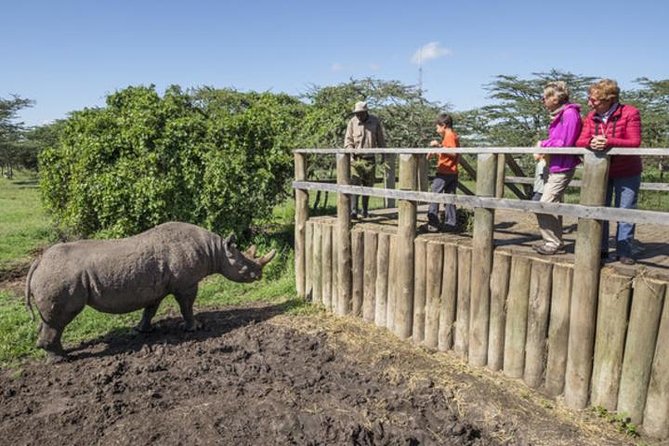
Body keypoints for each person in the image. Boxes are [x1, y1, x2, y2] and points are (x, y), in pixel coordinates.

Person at [576, 79, 642, 265]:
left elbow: (634, 141)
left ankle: (624, 252)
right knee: (599, 209)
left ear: (609, 99)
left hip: (627, 170)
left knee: (625, 211)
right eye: (589, 99)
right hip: (600, 172)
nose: (590, 103)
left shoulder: (630, 113)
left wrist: (608, 141)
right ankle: (601, 249)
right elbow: (580, 141)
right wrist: (591, 142)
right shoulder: (591, 116)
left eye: (594, 100)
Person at [534, 81, 582, 255]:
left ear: (554, 98)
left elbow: (566, 143)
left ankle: (552, 242)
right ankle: (555, 241)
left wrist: (543, 144)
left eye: (544, 97)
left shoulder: (569, 114)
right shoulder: (561, 114)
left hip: (563, 165)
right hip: (555, 164)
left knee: (544, 204)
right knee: (553, 204)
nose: (543, 101)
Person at [344, 101, 386, 218]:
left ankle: (365, 210)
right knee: (355, 183)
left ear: (366, 112)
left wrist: (384, 154)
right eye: (357, 113)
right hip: (357, 159)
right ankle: (353, 210)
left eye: (361, 113)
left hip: (370, 159)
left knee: (368, 185)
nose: (359, 116)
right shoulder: (352, 122)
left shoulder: (375, 121)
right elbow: (348, 141)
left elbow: (380, 139)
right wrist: (351, 153)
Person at [423, 113, 459, 233]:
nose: (436, 129)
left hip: (445, 172)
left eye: (437, 127)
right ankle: (451, 224)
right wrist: (437, 151)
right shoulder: (452, 136)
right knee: (449, 198)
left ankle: (433, 223)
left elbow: (453, 153)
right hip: (452, 171)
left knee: (435, 195)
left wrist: (438, 145)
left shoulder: (449, 136)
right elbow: (448, 153)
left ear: (443, 125)